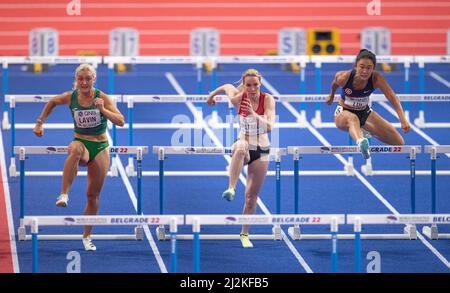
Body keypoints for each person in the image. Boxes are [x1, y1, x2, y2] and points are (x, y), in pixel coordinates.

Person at [33, 64, 125, 251]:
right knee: (74, 149)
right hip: (81, 143)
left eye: (88, 78)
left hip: (100, 147)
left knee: (93, 196)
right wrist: (40, 123)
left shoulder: (102, 98)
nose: (84, 82)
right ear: (76, 80)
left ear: (94, 79)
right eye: (80, 79)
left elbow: (121, 121)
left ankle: (86, 236)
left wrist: (103, 110)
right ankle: (64, 194)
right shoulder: (71, 96)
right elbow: (52, 101)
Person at [207, 69, 276, 248]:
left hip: (261, 149)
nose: (252, 89)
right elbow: (226, 86)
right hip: (243, 143)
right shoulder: (238, 98)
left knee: (251, 198)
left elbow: (269, 127)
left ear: (260, 83)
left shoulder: (267, 99)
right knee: (240, 146)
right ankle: (231, 188)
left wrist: (253, 114)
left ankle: (244, 234)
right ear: (244, 86)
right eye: (248, 85)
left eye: (255, 85)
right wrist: (211, 96)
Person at [325, 49, 410, 159]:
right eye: (362, 67)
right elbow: (334, 84)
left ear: (373, 68)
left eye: (369, 68)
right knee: (353, 118)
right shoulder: (344, 77)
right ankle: (361, 142)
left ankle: (364, 130)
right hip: (344, 113)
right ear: (356, 65)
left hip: (365, 112)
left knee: (399, 142)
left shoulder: (376, 79)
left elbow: (392, 97)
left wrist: (403, 119)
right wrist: (331, 95)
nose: (365, 71)